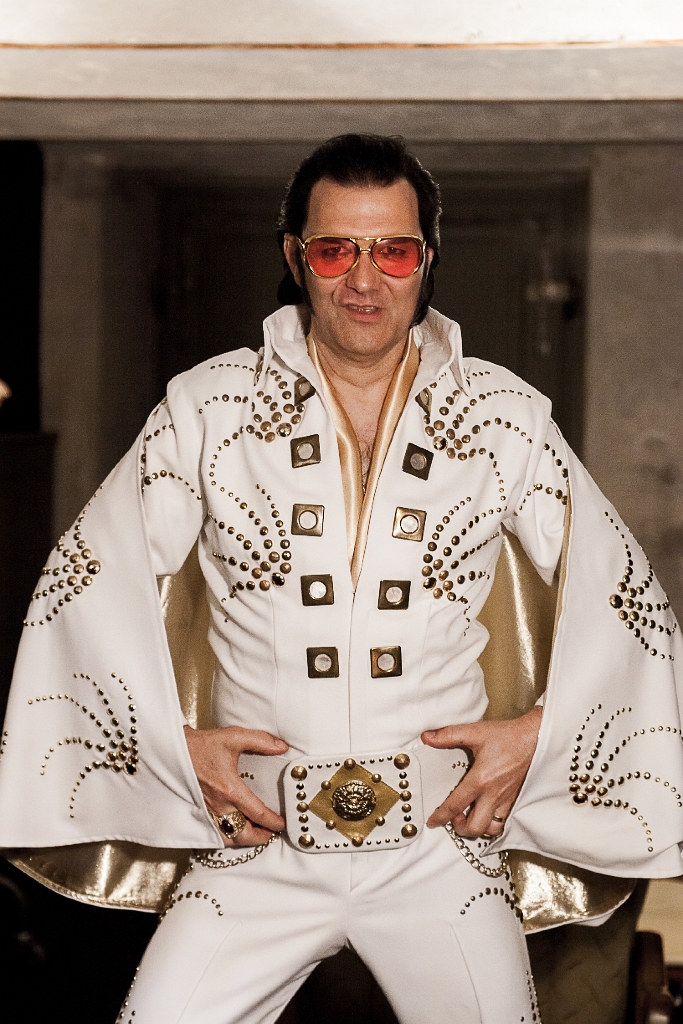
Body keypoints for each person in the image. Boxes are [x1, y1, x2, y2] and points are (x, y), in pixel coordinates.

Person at [0, 134, 681, 1024]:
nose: (365, 280)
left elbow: (630, 600)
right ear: (296, 258)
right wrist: (170, 744)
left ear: (425, 260)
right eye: (335, 250)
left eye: (392, 250)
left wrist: (541, 733)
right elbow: (82, 581)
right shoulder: (209, 408)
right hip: (257, 848)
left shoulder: (502, 415)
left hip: (440, 850)